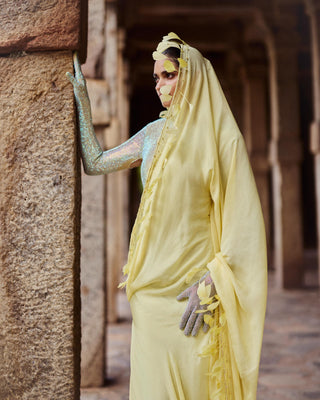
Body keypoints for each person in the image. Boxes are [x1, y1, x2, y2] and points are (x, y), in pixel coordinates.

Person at [67, 32, 267, 400]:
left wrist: (211, 283)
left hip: (193, 298)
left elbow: (244, 226)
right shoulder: (151, 135)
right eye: (157, 77)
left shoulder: (222, 140)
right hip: (148, 296)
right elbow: (95, 164)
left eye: (169, 75)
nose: (160, 85)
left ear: (191, 75)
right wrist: (82, 102)